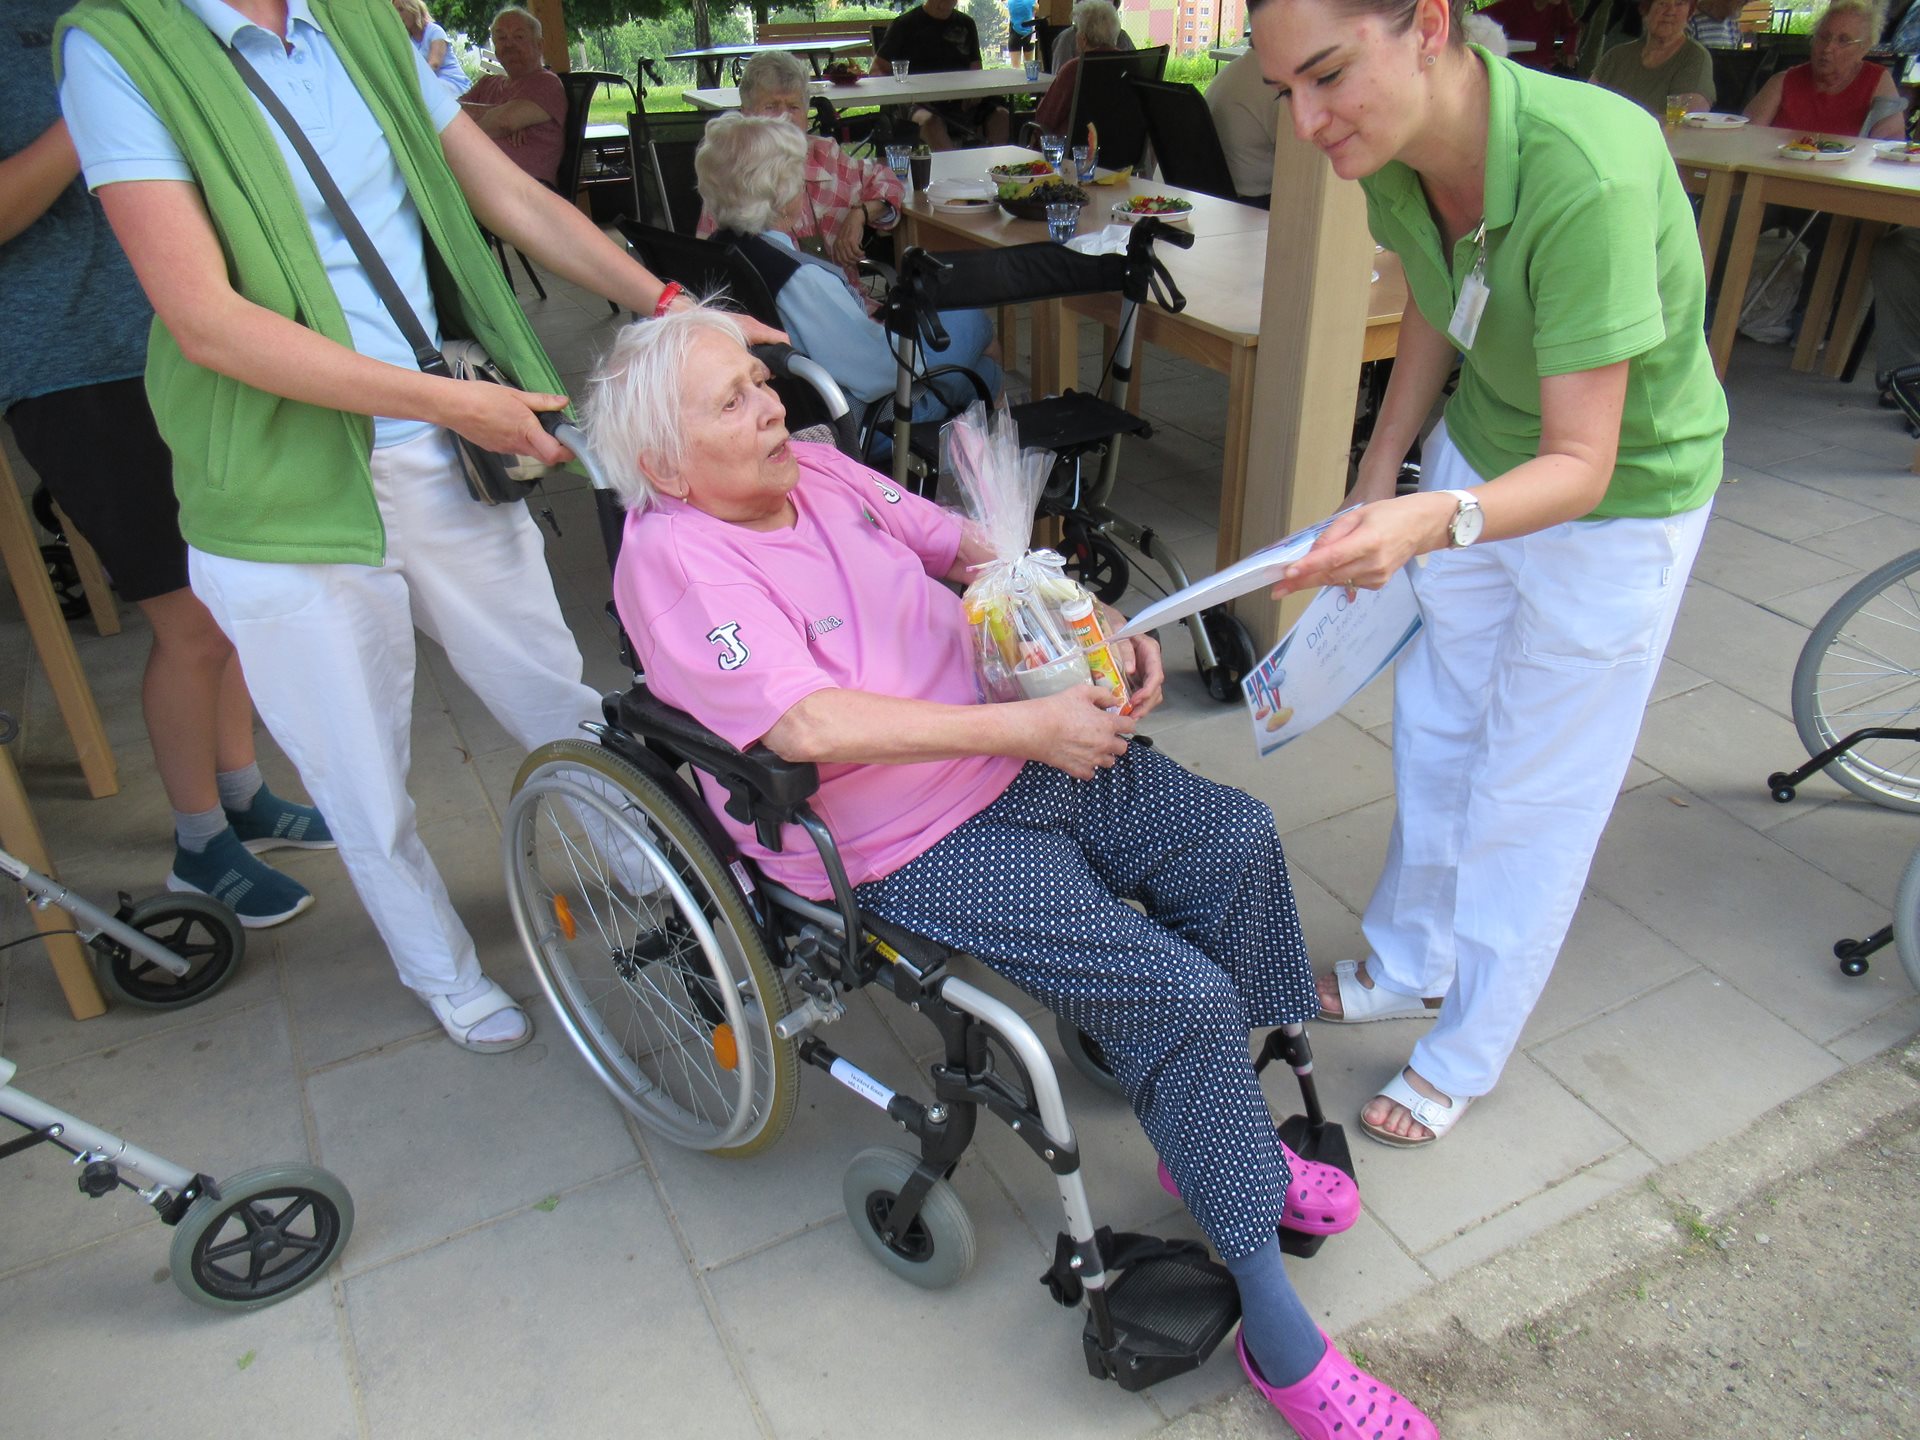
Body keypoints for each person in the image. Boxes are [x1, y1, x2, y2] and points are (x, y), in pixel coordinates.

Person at [586, 304, 1438, 1440]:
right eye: (731, 400)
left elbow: (958, 545)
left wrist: (1090, 620)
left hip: (1015, 744)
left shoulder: (819, 473)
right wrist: (1024, 731)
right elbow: (805, 724)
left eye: (760, 379)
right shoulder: (679, 564)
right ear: (662, 463)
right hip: (909, 835)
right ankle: (1279, 1337)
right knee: (1176, 993)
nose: (771, 406)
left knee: (1234, 839)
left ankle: (1214, 1138)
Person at [58, 0, 780, 1054]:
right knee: (357, 767)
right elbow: (204, 319)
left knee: (551, 688)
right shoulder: (119, 45)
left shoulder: (352, 20)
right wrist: (451, 402)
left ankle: (637, 858)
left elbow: (506, 194)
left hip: (439, 451)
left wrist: (673, 303)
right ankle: (439, 966)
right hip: (283, 479)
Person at [1249, 0, 1726, 1169]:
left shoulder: (1586, 171)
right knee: (1439, 727)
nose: (1307, 123)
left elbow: (1584, 463)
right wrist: (1381, 469)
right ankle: (1409, 961)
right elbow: (1435, 294)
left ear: (1427, 23)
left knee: (1533, 789)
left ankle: (1464, 1050)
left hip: (1616, 503)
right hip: (1479, 455)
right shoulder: (1393, 150)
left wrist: (1431, 516)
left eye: (1326, 76)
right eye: (1285, 93)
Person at [4, 0, 331, 930]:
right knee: (190, 619)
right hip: (76, 366)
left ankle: (242, 795)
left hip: (197, 341)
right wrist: (98, 100)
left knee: (230, 590)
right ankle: (199, 844)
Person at [694, 113, 1001, 434]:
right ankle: (999, 449)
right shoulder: (798, 279)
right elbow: (880, 372)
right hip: (859, 423)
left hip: (784, 407)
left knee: (982, 371)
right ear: (781, 195)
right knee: (973, 322)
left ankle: (992, 442)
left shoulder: (717, 251)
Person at [695, 51, 903, 302]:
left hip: (846, 303)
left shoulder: (826, 155)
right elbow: (712, 267)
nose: (785, 117)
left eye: (794, 107)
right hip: (775, 312)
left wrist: (861, 213)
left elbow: (888, 181)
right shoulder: (733, 176)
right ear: (746, 115)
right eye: (771, 107)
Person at [1745, 0, 1905, 138]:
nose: (1828, 48)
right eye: (1823, 37)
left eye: (1843, 40)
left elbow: (1889, 146)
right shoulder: (1782, 82)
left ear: (1864, 48)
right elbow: (1746, 137)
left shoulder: (1877, 81)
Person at [874, 0, 1013, 150]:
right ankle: (954, 165)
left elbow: (975, 69)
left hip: (962, 100)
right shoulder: (903, 25)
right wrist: (904, 90)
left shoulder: (967, 24)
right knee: (931, 122)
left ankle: (988, 163)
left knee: (1001, 116)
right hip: (918, 102)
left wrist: (974, 93)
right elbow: (877, 70)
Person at [459, 4, 564, 184]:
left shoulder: (547, 83)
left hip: (523, 190)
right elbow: (449, 116)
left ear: (539, 45)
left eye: (519, 37)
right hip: (475, 183)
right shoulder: (487, 84)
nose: (509, 44)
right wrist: (501, 114)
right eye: (501, 38)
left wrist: (502, 121)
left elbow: (503, 122)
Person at [1590, 0, 1714, 117]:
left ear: (1689, 12)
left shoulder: (1695, 57)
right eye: (1662, 3)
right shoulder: (1615, 56)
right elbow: (1586, 103)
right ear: (1646, 9)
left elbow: (1688, 120)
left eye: (1679, 4)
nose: (1670, 11)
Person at [1032, 0, 1123, 135]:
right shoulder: (1130, 64)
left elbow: (1045, 118)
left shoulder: (1074, 69)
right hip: (1119, 143)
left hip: (1076, 145)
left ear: (1083, 39)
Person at [1206, 44, 1282, 200]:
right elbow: (1299, 159)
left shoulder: (1234, 70)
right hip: (1253, 200)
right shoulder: (1277, 84)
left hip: (1217, 191)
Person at [393, 0, 469, 96]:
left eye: (401, 9)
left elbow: (434, 64)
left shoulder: (435, 31)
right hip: (430, 85)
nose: (397, 15)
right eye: (394, 11)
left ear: (413, 10)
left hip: (452, 82)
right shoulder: (408, 40)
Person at [1478, 0, 1581, 70]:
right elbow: (1477, 20)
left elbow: (1568, 31)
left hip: (1547, 66)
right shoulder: (1514, 5)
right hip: (1517, 67)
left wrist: (1561, 48)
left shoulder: (1559, 6)